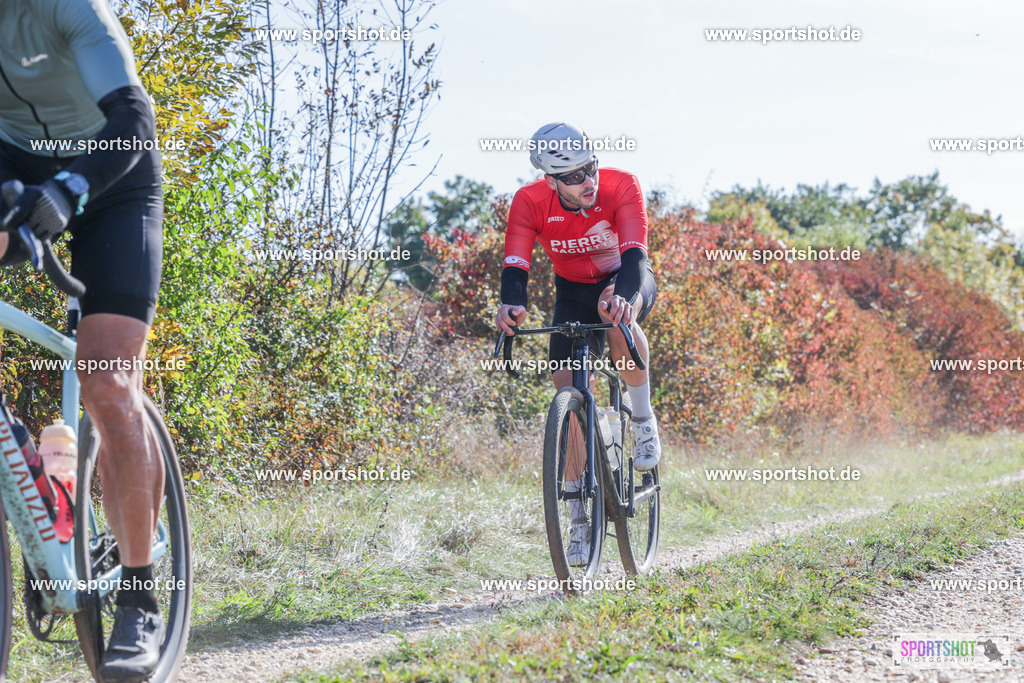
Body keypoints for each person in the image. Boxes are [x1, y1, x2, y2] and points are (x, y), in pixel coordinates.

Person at [0, 0, 166, 678]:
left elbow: (133, 117)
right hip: (13, 170)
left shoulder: (70, 9)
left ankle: (140, 594)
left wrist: (71, 186)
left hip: (113, 178)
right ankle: (34, 478)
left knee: (104, 379)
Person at [494, 122, 660, 565]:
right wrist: (510, 305)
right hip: (572, 292)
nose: (588, 182)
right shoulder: (529, 202)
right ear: (550, 181)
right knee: (565, 390)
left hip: (625, 279)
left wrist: (624, 297)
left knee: (613, 311)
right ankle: (578, 519)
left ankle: (642, 419)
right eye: (573, 177)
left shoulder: (622, 185)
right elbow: (516, 263)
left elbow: (635, 258)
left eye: (590, 169)